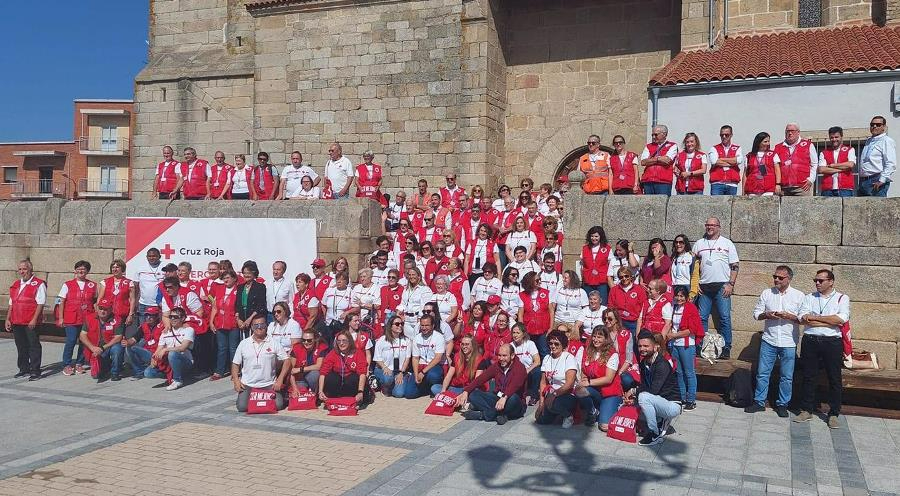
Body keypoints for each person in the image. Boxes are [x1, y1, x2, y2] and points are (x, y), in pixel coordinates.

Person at [746, 265, 804, 418]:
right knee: (763, 373)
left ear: (789, 279)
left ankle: (782, 404)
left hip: (788, 342)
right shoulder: (767, 293)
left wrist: (789, 316)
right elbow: (756, 314)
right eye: (775, 276)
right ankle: (759, 402)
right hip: (769, 340)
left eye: (780, 277)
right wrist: (767, 315)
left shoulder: (799, 295)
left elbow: (803, 318)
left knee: (787, 376)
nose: (776, 279)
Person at [795, 269, 850, 429]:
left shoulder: (841, 298)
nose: (817, 283)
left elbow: (841, 319)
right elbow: (802, 318)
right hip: (811, 340)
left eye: (820, 280)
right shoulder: (809, 297)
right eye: (815, 280)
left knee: (834, 378)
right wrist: (828, 321)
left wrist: (815, 318)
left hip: (832, 342)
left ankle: (833, 413)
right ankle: (806, 409)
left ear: (831, 282)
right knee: (808, 376)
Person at [693, 217, 739, 359]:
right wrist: (695, 284)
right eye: (708, 225)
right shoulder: (699, 243)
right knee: (701, 318)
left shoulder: (727, 243)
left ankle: (726, 348)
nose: (710, 227)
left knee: (724, 317)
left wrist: (731, 284)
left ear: (719, 227)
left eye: (713, 225)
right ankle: (701, 345)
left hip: (722, 286)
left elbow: (735, 265)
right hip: (704, 287)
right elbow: (693, 265)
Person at [626, 331, 682, 446]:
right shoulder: (644, 362)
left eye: (646, 346)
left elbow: (653, 390)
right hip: (658, 400)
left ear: (655, 347)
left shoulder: (662, 364)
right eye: (640, 346)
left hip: (672, 404)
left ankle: (654, 434)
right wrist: (633, 398)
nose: (642, 349)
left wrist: (633, 391)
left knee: (643, 397)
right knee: (633, 406)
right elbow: (644, 385)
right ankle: (660, 420)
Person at [232, 315, 291, 412]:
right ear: (251, 327)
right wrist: (236, 381)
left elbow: (287, 360)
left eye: (262, 325)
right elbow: (235, 364)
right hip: (248, 384)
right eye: (256, 325)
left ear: (266, 326)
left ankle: (267, 397)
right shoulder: (244, 343)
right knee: (242, 407)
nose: (259, 327)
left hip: (269, 384)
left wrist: (280, 379)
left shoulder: (273, 342)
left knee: (279, 405)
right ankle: (252, 398)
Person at [458, 343, 527, 424]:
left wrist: (504, 398)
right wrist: (466, 391)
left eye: (504, 356)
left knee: (513, 398)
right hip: (498, 397)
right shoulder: (497, 366)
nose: (501, 358)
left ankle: (483, 415)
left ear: (512, 356)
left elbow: (514, 386)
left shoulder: (520, 368)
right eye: (499, 355)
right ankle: (501, 415)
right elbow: (481, 378)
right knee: (472, 393)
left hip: (513, 402)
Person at [6, 259, 46, 380]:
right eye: (20, 269)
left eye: (24, 269)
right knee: (21, 346)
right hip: (17, 320)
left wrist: (34, 319)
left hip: (30, 321)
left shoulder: (39, 284)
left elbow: (40, 303)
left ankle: (35, 371)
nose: (22, 271)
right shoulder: (16, 284)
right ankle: (23, 368)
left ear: (30, 270)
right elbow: (11, 303)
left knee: (33, 345)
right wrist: (8, 318)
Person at [578, 326, 624, 431]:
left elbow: (608, 378)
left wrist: (589, 382)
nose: (595, 339)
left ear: (606, 339)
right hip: (595, 391)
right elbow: (584, 371)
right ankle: (593, 411)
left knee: (605, 427)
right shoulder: (588, 351)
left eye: (599, 337)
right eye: (594, 336)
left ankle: (614, 406)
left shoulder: (613, 354)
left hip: (610, 392)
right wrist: (583, 381)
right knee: (579, 390)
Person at [665, 287, 703, 411]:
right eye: (677, 296)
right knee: (679, 373)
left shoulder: (691, 308)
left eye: (682, 296)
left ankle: (691, 400)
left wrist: (673, 335)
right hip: (676, 345)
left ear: (686, 297)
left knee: (689, 373)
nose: (679, 298)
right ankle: (681, 398)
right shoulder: (674, 307)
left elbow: (691, 330)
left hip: (687, 345)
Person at [57, 260, 97, 376]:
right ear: (75, 271)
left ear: (87, 271)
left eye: (83, 269)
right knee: (71, 340)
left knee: (84, 342)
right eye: (79, 269)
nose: (81, 271)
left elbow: (95, 301)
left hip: (86, 318)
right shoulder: (67, 284)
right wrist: (61, 317)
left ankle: (79, 363)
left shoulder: (92, 285)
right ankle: (67, 364)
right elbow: (61, 301)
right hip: (71, 317)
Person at [535, 329, 578, 428]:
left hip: (567, 394)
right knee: (540, 420)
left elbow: (570, 384)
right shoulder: (546, 358)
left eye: (556, 344)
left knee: (555, 404)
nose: (553, 346)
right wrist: (541, 402)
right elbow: (543, 382)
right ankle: (556, 413)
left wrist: (553, 395)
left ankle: (568, 415)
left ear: (563, 344)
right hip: (551, 394)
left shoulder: (569, 358)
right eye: (550, 343)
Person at [148, 307, 195, 390]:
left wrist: (166, 349)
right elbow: (159, 349)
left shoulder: (188, 330)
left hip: (185, 361)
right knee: (148, 373)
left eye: (176, 317)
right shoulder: (165, 332)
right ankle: (170, 376)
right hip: (168, 362)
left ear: (183, 318)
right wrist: (154, 357)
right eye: (171, 317)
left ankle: (177, 380)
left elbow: (183, 348)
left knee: (172, 354)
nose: (172, 319)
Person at [79, 298, 125, 381]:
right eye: (100, 308)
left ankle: (115, 373)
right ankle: (107, 366)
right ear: (97, 308)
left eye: (105, 309)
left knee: (117, 349)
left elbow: (118, 337)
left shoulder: (117, 319)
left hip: (109, 346)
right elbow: (82, 335)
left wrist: (103, 348)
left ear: (111, 309)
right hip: (95, 348)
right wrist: (92, 348)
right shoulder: (89, 318)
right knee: (96, 375)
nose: (102, 311)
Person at [318, 328, 368, 403]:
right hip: (338, 382)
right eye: (339, 341)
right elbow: (323, 373)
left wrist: (360, 392)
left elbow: (362, 373)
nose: (341, 343)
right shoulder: (333, 353)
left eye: (344, 340)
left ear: (350, 341)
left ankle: (354, 399)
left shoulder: (358, 353)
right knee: (331, 377)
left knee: (353, 378)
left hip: (351, 384)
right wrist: (320, 391)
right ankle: (332, 398)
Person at [208, 270, 241, 381]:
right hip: (220, 323)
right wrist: (211, 321)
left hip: (233, 324)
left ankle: (235, 371)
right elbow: (215, 307)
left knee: (233, 349)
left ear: (234, 278)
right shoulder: (220, 289)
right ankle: (219, 371)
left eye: (228, 278)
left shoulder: (239, 290)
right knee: (221, 348)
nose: (226, 280)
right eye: (224, 278)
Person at [372, 316, 414, 397]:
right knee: (388, 378)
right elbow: (377, 358)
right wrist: (385, 367)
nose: (400, 326)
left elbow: (407, 358)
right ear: (390, 326)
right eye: (397, 324)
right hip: (383, 369)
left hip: (399, 371)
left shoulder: (406, 340)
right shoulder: (382, 340)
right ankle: (384, 387)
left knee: (399, 394)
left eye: (402, 324)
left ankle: (394, 384)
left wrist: (401, 373)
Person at [773, 122, 817, 196]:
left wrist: (811, 179)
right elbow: (775, 167)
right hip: (784, 188)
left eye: (792, 131)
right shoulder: (778, 147)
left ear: (798, 132)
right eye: (787, 131)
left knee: (804, 207)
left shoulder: (808, 145)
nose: (790, 133)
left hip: (802, 187)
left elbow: (814, 164)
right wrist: (777, 184)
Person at [518, 271, 554, 359]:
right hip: (528, 330)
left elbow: (551, 311)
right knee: (529, 353)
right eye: (537, 280)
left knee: (544, 352)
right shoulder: (522, 295)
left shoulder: (546, 293)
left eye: (540, 280)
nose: (539, 282)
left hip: (543, 330)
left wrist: (551, 327)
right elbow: (520, 315)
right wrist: (522, 331)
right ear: (530, 282)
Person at [408, 314, 445, 398]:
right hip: (420, 365)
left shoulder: (439, 337)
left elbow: (438, 358)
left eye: (427, 325)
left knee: (433, 376)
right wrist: (416, 374)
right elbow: (415, 358)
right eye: (422, 325)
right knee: (409, 394)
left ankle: (432, 387)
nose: (424, 328)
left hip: (434, 366)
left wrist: (422, 372)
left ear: (433, 326)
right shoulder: (417, 338)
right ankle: (424, 389)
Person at [122, 306, 163, 380]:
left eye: (151, 315)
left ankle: (164, 372)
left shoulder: (163, 326)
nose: (148, 317)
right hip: (147, 353)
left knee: (148, 373)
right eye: (146, 315)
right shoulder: (144, 326)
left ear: (157, 316)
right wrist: (127, 342)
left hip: (158, 354)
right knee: (129, 348)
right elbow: (134, 338)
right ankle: (139, 372)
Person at [858, 115, 895, 197]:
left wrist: (882, 180)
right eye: (872, 124)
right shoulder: (869, 141)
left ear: (884, 127)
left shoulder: (886, 141)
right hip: (863, 181)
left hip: (876, 180)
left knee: (877, 209)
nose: (874, 126)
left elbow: (891, 163)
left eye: (878, 125)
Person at [817, 126, 856, 197]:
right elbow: (821, 169)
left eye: (836, 137)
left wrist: (832, 165)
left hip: (845, 188)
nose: (834, 139)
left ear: (841, 137)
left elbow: (850, 165)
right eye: (832, 137)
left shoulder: (850, 150)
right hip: (827, 189)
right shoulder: (824, 152)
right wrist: (843, 168)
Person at [640, 124, 677, 195]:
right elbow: (643, 162)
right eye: (652, 135)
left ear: (664, 134)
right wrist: (659, 159)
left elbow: (667, 160)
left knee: (662, 204)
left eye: (656, 135)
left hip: (663, 182)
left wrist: (651, 160)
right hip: (648, 181)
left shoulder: (672, 145)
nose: (653, 137)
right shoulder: (648, 146)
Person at [608, 267, 647, 335]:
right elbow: (611, 306)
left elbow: (643, 306)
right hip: (619, 321)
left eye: (626, 276)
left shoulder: (639, 289)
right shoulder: (614, 290)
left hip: (634, 321)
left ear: (630, 276)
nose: (624, 278)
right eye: (621, 277)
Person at [707, 125, 745, 195]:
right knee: (716, 205)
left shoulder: (737, 148)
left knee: (731, 205)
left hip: (732, 184)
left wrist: (721, 159)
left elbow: (739, 161)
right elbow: (714, 161)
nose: (724, 137)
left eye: (726, 135)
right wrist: (733, 162)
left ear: (731, 135)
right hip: (717, 184)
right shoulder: (714, 148)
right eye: (722, 135)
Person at [289, 329, 328, 394]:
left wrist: (300, 369)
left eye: (309, 340)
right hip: (300, 379)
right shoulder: (296, 348)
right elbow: (291, 371)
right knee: (300, 395)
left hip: (314, 378)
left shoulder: (321, 347)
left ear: (315, 339)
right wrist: (294, 388)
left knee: (314, 374)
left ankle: (316, 395)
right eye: (304, 340)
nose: (306, 342)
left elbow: (318, 366)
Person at [99, 259, 136, 326]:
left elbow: (132, 300)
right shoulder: (105, 282)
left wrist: (130, 314)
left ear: (122, 268)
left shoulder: (129, 282)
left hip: (123, 314)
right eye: (113, 267)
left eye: (117, 267)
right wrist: (98, 312)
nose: (115, 269)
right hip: (108, 314)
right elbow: (100, 298)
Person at [743, 132, 781, 196]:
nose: (768, 144)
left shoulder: (773, 154)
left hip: (768, 189)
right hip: (752, 189)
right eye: (765, 141)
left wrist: (778, 184)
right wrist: (743, 191)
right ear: (759, 142)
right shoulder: (750, 156)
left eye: (768, 141)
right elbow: (745, 174)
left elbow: (777, 171)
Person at [580, 226, 612, 303]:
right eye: (592, 236)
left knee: (602, 302)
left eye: (596, 236)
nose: (594, 238)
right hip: (588, 280)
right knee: (588, 302)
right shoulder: (585, 248)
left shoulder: (607, 248)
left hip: (601, 281)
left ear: (601, 236)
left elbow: (610, 265)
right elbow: (581, 265)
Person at [236, 261, 267, 339]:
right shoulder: (240, 287)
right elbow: (237, 304)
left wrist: (250, 319)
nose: (246, 275)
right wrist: (238, 319)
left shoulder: (260, 287)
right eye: (245, 273)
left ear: (254, 273)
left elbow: (260, 304)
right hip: (242, 320)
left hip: (255, 319)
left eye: (249, 273)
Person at [321, 272, 353, 345]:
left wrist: (347, 313)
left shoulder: (350, 292)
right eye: (337, 279)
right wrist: (325, 316)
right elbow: (323, 304)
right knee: (328, 344)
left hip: (342, 323)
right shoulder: (329, 290)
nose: (338, 281)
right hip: (329, 322)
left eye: (341, 279)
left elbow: (356, 307)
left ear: (346, 282)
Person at [135, 248, 165, 323]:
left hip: (158, 304)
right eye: (149, 256)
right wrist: (136, 302)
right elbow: (136, 286)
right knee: (143, 328)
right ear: (147, 257)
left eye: (154, 256)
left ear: (159, 256)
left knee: (158, 329)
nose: (152, 258)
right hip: (143, 304)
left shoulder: (165, 267)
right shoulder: (140, 268)